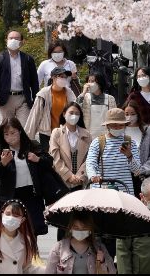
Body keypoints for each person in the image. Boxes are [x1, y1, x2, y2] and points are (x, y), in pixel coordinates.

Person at [0, 118, 52, 235]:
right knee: (9, 231)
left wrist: (38, 159)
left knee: (31, 231)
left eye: (13, 133)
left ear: (20, 131)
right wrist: (3, 163)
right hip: (9, 196)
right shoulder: (0, 152)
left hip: (32, 196)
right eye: (6, 134)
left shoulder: (32, 146)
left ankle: (30, 253)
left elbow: (49, 162)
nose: (10, 136)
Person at [49, 102, 91, 239]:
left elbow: (89, 157)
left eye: (77, 113)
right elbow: (55, 157)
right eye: (71, 113)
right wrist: (68, 175)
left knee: (78, 217)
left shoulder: (86, 134)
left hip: (79, 182)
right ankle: (61, 248)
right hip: (62, 182)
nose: (74, 116)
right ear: (64, 114)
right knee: (63, 218)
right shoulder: (56, 133)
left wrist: (80, 176)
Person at [0, 30, 39, 126]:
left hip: (23, 98)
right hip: (6, 99)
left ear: (21, 41)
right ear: (6, 40)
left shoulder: (28, 59)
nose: (14, 40)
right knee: (8, 128)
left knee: (24, 129)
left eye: (17, 38)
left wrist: (36, 99)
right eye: (11, 38)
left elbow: (34, 81)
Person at [85, 108, 141, 195]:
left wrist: (129, 155)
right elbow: (90, 163)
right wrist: (93, 176)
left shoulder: (131, 142)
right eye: (114, 125)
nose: (117, 128)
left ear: (125, 125)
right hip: (101, 191)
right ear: (107, 126)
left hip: (125, 192)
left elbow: (137, 170)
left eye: (120, 125)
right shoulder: (97, 142)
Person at [45, 212, 116, 274]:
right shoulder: (58, 248)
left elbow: (112, 272)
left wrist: (102, 262)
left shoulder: (99, 248)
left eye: (84, 228)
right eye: (76, 228)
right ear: (70, 228)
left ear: (90, 230)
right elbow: (49, 271)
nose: (80, 231)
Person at [24, 66, 77, 146]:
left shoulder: (69, 93)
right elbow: (35, 115)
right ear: (53, 77)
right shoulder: (44, 94)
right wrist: (28, 137)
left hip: (65, 132)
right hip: (47, 133)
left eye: (65, 77)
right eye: (61, 76)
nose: (63, 79)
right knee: (48, 157)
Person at [124, 100, 150, 196]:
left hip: (143, 177)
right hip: (123, 176)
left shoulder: (149, 130)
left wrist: (143, 169)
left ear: (138, 114)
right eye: (126, 114)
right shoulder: (119, 130)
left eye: (133, 114)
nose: (129, 117)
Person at [78, 73, 117, 138]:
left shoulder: (110, 99)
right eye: (88, 81)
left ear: (100, 83)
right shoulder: (85, 97)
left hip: (106, 136)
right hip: (88, 135)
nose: (89, 84)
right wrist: (83, 93)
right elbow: (76, 107)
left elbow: (115, 118)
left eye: (92, 81)